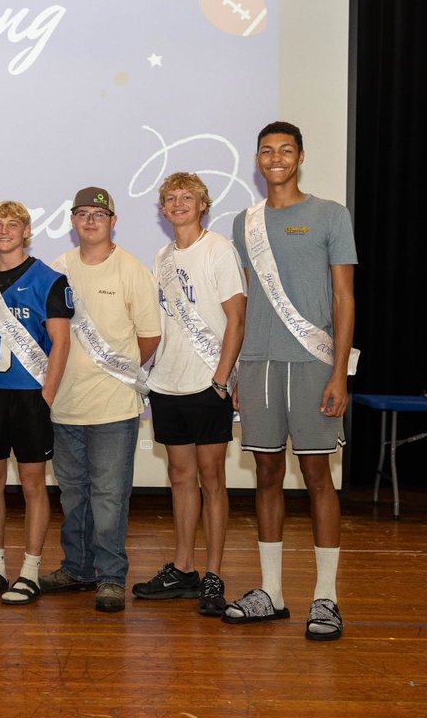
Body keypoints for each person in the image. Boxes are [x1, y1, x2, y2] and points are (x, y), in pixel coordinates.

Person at [224, 121, 356, 641]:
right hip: (258, 365)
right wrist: (236, 369)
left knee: (319, 476)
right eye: (266, 150)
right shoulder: (244, 223)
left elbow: (345, 298)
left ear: (300, 156)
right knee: (266, 474)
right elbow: (247, 299)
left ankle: (326, 597)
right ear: (257, 159)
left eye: (285, 150)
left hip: (312, 364)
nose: (275, 158)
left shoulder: (329, 215)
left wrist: (338, 373)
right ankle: (272, 592)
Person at [132, 173, 245, 616]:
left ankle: (213, 575)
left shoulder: (218, 250)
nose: (178, 204)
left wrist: (223, 379)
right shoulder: (161, 257)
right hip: (169, 384)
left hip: (207, 385)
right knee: (180, 478)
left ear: (203, 205)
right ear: (162, 209)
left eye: (187, 198)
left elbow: (237, 318)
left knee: (212, 479)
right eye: (170, 199)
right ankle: (183, 569)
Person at [44, 187, 161, 613]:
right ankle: (77, 568)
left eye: (99, 213)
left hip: (114, 406)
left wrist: (118, 373)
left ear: (113, 220)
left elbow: (150, 336)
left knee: (109, 497)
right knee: (73, 495)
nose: (90, 220)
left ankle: (111, 577)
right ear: (72, 220)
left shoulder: (131, 270)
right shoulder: (57, 269)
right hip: (64, 405)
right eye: (82, 213)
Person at [0, 200, 72, 606]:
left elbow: (61, 342)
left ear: (26, 231)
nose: (4, 230)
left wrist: (46, 396)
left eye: (12, 224)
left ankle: (30, 570)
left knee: (32, 484)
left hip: (30, 397)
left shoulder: (50, 280)